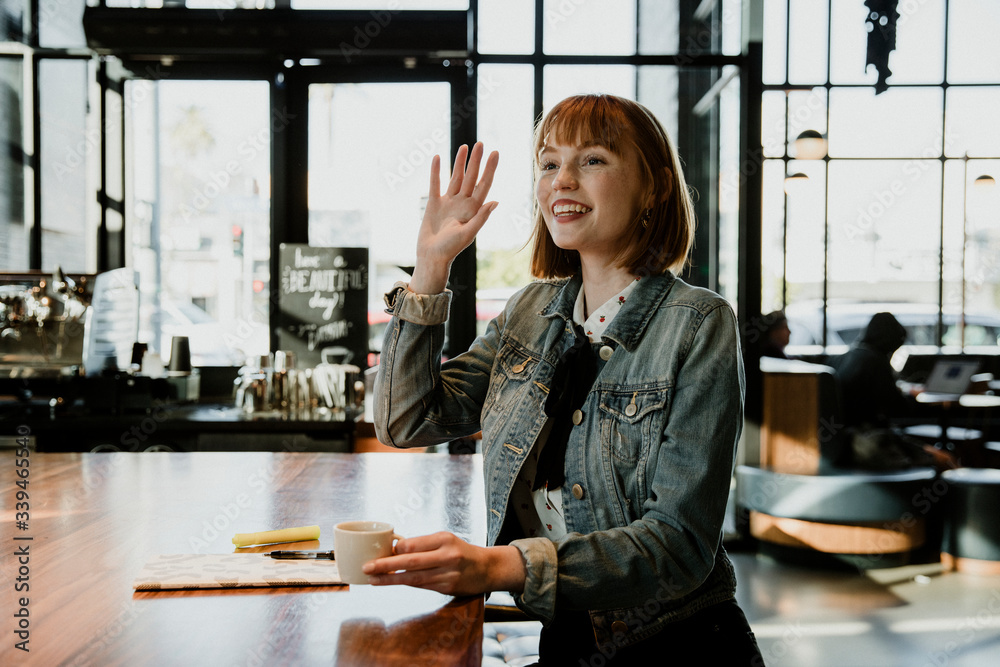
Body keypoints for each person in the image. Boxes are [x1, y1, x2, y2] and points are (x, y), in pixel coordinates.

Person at [368, 94, 762, 664]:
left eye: (593, 160)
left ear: (651, 187)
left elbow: (679, 546)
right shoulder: (529, 312)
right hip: (567, 641)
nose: (562, 181)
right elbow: (408, 421)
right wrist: (430, 270)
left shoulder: (699, 325)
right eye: (549, 164)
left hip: (679, 646)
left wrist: (497, 566)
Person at [831, 312, 949, 470]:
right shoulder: (875, 360)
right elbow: (898, 409)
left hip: (841, 444)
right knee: (945, 459)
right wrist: (918, 398)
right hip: (869, 443)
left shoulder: (844, 357)